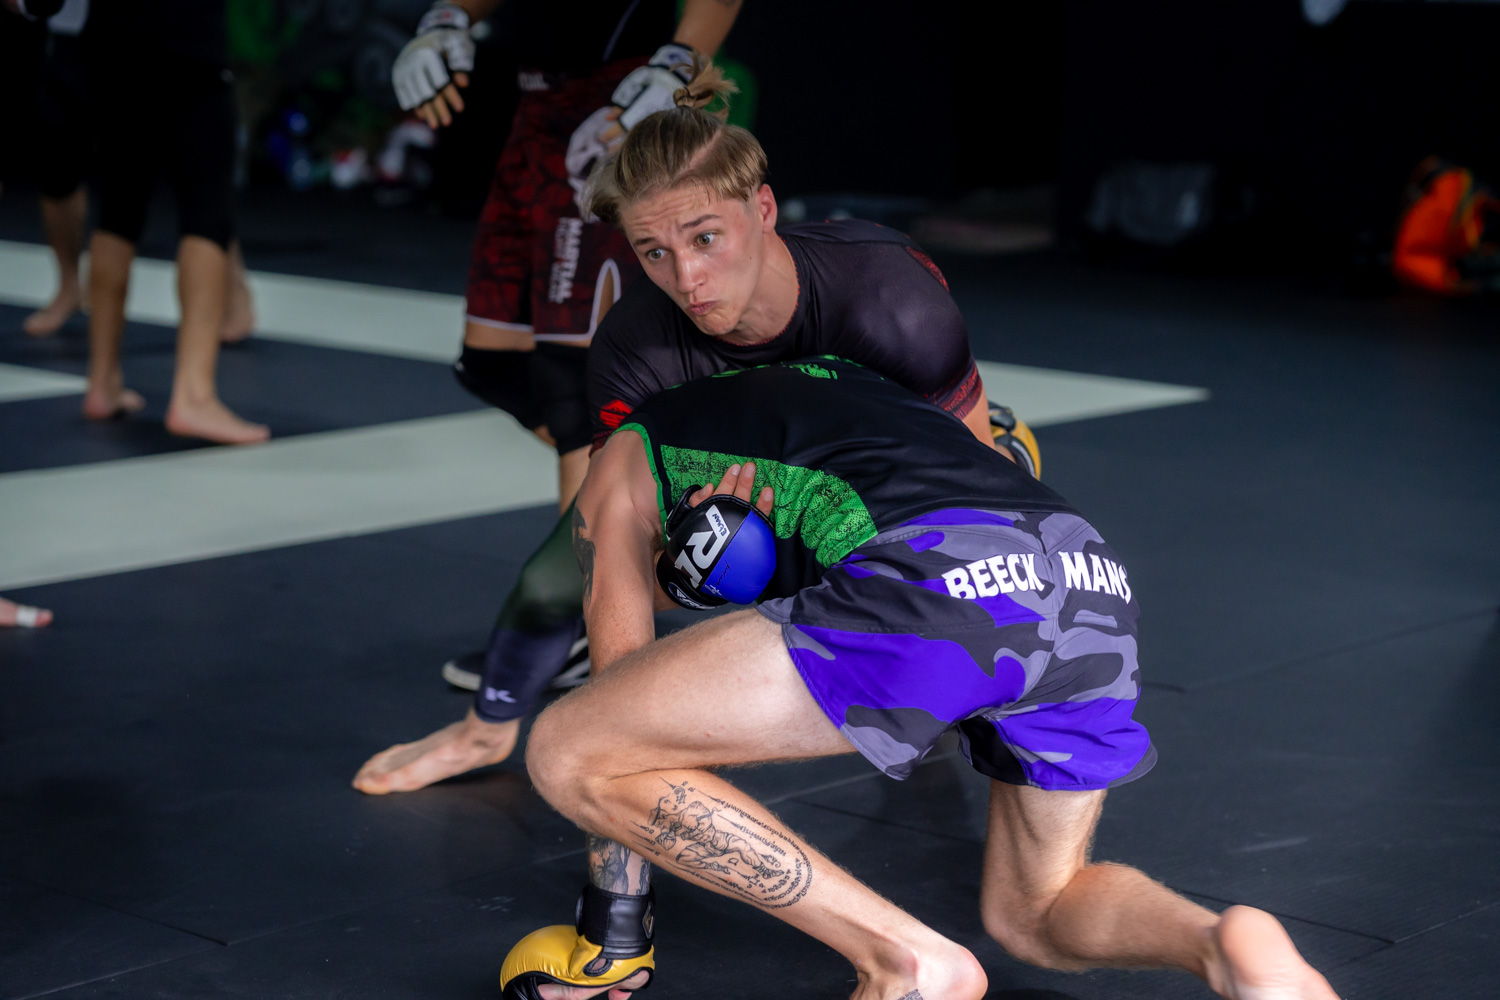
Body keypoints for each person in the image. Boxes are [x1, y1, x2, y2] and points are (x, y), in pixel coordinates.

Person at [500, 358, 1340, 1000]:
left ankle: (903, 960)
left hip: (940, 579)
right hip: (1085, 575)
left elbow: (620, 693)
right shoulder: (853, 389)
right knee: (1036, 911)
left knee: (574, 748)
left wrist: (613, 937)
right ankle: (1220, 944)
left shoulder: (622, 460)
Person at [352, 67, 1042, 795]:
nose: (687, 279)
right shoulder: (635, 348)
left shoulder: (887, 292)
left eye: (706, 237)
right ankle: (483, 730)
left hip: (885, 467)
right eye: (654, 252)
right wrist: (689, 555)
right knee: (568, 572)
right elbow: (612, 544)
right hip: (746, 472)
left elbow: (973, 474)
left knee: (998, 512)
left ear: (763, 208)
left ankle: (979, 687)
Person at [78, 0, 266, 444]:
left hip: (112, 37)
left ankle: (102, 382)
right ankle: (194, 395)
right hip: (186, 38)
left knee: (118, 210)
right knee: (207, 211)